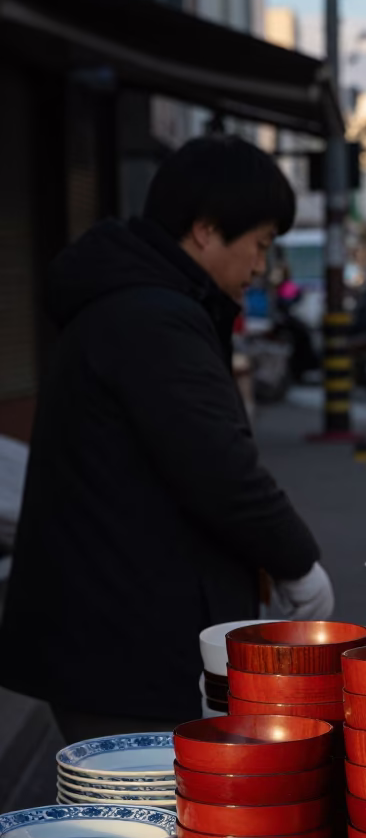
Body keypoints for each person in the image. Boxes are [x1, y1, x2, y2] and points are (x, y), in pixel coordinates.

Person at [0, 135, 333, 740]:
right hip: (124, 648)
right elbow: (218, 465)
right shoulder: (153, 317)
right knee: (146, 823)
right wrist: (298, 565)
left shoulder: (144, 303)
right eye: (258, 244)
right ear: (205, 230)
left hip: (117, 634)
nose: (260, 266)